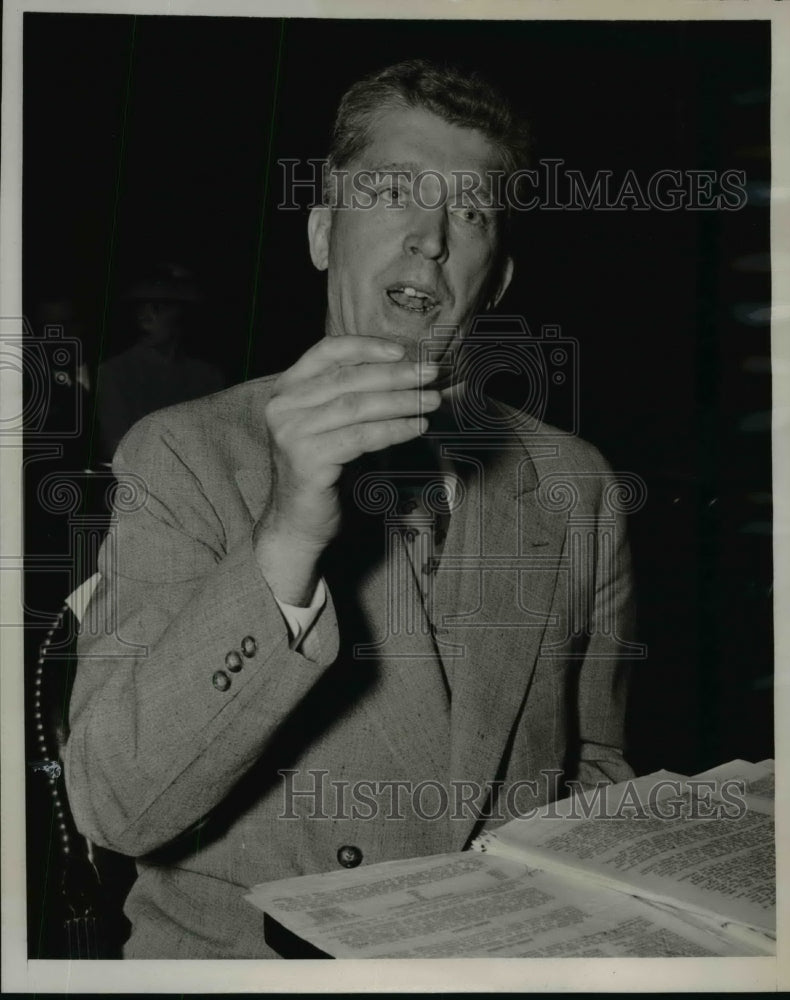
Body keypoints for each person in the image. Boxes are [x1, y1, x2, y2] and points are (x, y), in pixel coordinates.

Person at [65, 59, 637, 959]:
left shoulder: (576, 484)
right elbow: (117, 806)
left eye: (472, 212)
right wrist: (289, 532)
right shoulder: (184, 454)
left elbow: (592, 767)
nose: (431, 238)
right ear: (323, 232)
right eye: (394, 192)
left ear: (498, 277)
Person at [95, 261, 225, 461]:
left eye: (158, 308)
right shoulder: (115, 372)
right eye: (140, 308)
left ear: (181, 314)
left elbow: (217, 444)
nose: (144, 317)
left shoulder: (206, 375)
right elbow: (117, 448)